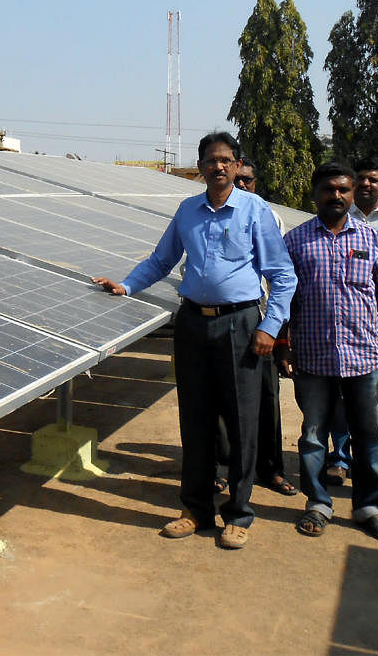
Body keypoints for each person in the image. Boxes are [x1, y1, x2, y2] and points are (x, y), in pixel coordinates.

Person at [92, 132, 296, 549]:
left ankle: (238, 513)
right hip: (192, 326)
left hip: (240, 324)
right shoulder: (187, 211)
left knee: (242, 422)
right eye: (210, 160)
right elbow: (162, 259)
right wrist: (128, 286)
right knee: (196, 419)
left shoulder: (255, 211)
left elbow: (283, 276)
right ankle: (196, 509)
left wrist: (269, 328)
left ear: (238, 166)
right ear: (201, 166)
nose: (218, 167)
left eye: (226, 160)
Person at [276, 162, 378, 542]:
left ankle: (368, 506)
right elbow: (285, 297)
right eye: (328, 189)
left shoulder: (373, 240)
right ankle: (318, 503)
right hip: (313, 357)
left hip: (365, 356)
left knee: (370, 434)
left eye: (343, 190)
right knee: (313, 435)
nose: (336, 196)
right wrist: (283, 343)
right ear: (315, 193)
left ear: (352, 195)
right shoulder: (296, 241)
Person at [325, 161, 378, 490]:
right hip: (345, 326)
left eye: (373, 180)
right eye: (359, 180)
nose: (365, 185)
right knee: (340, 399)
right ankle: (340, 458)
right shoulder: (338, 215)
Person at [231, 156, 296, 497]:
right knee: (225, 398)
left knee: (267, 396)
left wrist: (275, 328)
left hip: (262, 319)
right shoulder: (206, 213)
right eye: (238, 179)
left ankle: (270, 468)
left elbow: (281, 275)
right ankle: (226, 469)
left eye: (248, 180)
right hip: (227, 319)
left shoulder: (270, 216)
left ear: (256, 183)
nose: (242, 185)